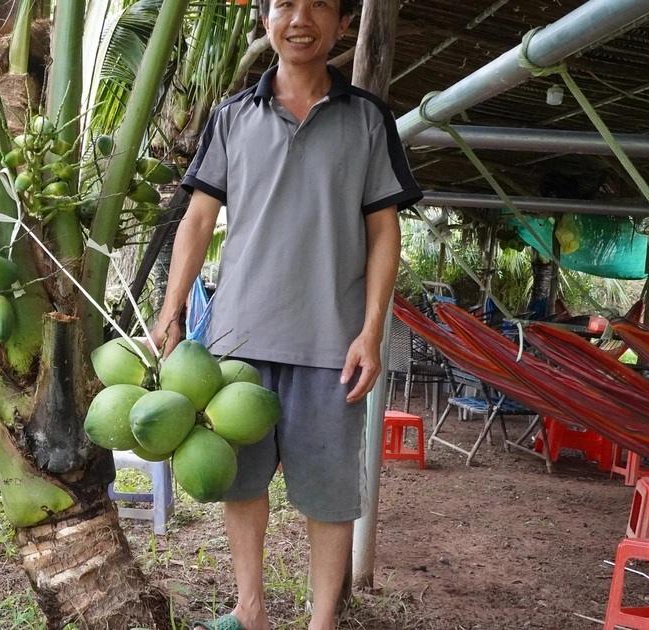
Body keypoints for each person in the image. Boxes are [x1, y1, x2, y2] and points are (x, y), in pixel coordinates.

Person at [148, 0, 422, 628]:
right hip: (236, 344)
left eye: (318, 4)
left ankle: (321, 621)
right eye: (284, 4)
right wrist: (169, 313)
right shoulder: (232, 116)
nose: (300, 18)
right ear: (265, 20)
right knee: (242, 486)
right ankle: (251, 611)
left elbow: (385, 231)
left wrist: (372, 330)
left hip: (334, 345)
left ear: (344, 23)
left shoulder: (368, 119)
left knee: (328, 497)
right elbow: (197, 218)